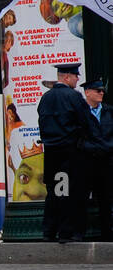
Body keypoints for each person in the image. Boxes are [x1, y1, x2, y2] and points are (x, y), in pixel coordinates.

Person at [37, 63, 90, 242]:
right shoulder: (73, 97)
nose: (77, 79)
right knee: (71, 191)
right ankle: (66, 231)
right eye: (76, 76)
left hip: (51, 152)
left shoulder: (46, 98)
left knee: (56, 191)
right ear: (67, 77)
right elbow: (85, 121)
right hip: (70, 152)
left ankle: (49, 230)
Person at [80, 79, 112, 241]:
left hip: (106, 161)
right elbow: (79, 137)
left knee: (106, 198)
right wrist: (93, 148)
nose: (101, 93)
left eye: (102, 91)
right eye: (97, 91)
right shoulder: (80, 112)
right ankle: (80, 233)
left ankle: (107, 232)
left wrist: (107, 147)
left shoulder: (109, 111)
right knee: (82, 197)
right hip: (88, 161)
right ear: (87, 93)